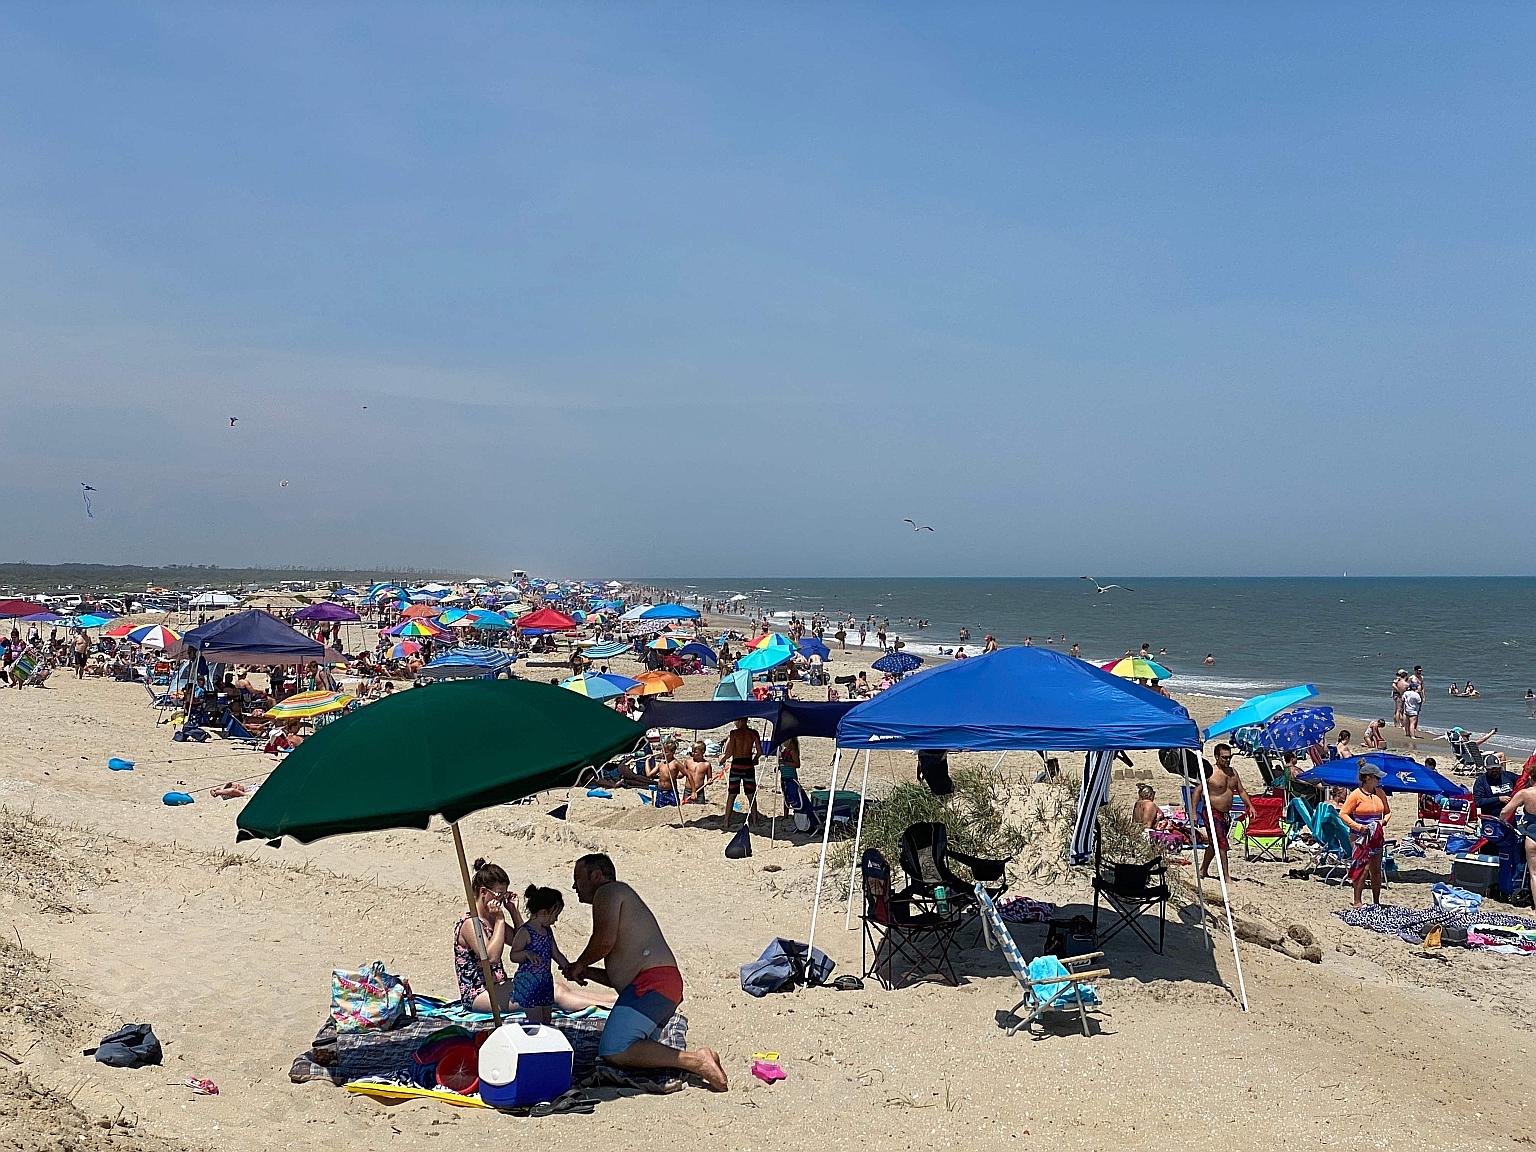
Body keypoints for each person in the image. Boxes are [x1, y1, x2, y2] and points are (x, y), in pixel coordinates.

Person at [564, 854, 727, 1091]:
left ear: (596, 876)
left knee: (613, 1048)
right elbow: (620, 976)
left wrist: (579, 963)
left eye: (577, 878)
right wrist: (587, 972)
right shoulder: (620, 897)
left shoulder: (607, 892)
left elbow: (603, 941)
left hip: (654, 984)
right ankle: (695, 1057)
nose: (574, 886)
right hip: (660, 984)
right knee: (621, 1043)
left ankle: (696, 1060)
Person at [454, 859, 613, 1015]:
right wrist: (500, 920)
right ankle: (609, 1007)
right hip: (478, 993)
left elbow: (523, 939)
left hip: (498, 985)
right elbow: (491, 957)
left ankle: (614, 1000)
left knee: (557, 986)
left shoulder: (491, 919)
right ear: (483, 892)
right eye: (499, 894)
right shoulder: (471, 923)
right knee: (554, 994)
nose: (502, 900)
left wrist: (513, 912)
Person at [506, 885, 570, 1027]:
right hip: (529, 982)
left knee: (546, 1020)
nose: (556, 920)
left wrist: (568, 967)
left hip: (545, 980)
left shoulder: (547, 931)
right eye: (555, 915)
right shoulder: (525, 932)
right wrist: (526, 953)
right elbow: (513, 955)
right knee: (536, 1022)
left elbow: (556, 953)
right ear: (543, 912)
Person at [1339, 761, 1391, 908]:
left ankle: (1376, 901)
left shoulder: (1380, 793)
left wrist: (1383, 822)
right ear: (1368, 778)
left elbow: (1387, 812)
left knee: (1376, 869)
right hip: (1359, 836)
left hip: (1376, 836)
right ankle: (1357, 900)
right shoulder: (1356, 795)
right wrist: (1359, 827)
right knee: (1363, 867)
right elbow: (1343, 814)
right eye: (1377, 778)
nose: (1379, 781)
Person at [1197, 743, 1251, 881]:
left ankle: (1202, 870)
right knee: (1222, 844)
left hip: (1226, 814)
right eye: (1224, 757)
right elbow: (1197, 792)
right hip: (1211, 811)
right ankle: (1226, 877)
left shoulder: (1233, 772)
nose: (1227, 760)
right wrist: (1192, 812)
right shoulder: (1211, 772)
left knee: (1214, 844)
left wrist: (1250, 806)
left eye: (1229, 757)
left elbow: (1241, 791)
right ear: (1216, 757)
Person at [719, 717, 763, 831]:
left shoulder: (734, 733)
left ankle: (726, 821)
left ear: (740, 721)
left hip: (737, 764)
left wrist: (722, 759)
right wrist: (755, 759)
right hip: (748, 764)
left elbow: (729, 752)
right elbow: (760, 751)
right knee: (751, 794)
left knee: (732, 794)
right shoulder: (753, 733)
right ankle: (755, 821)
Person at [1498, 783, 1536, 891]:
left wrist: (1502, 822)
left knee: (1534, 874)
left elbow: (1505, 811)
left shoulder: (1525, 793)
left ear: (1531, 777)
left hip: (1532, 834)